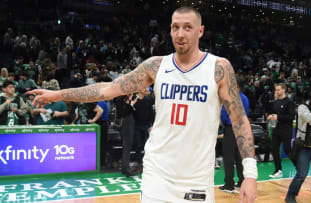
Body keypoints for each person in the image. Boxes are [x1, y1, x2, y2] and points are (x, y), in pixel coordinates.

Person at [28, 7, 257, 203]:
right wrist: (58, 93)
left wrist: (250, 174)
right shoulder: (156, 66)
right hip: (156, 175)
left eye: (188, 27)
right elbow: (107, 89)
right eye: (175, 27)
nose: (180, 33)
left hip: (196, 179)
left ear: (200, 31)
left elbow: (239, 120)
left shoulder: (219, 68)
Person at [219, 76, 249, 193]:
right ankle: (241, 181)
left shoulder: (231, 98)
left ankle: (229, 185)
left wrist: (222, 121)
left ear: (237, 86)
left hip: (230, 129)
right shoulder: (245, 98)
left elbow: (225, 115)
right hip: (241, 129)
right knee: (239, 157)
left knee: (228, 157)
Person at [268, 83, 296, 178]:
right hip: (276, 129)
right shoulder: (276, 102)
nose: (277, 91)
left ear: (284, 90)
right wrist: (271, 116)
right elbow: (274, 114)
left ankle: (299, 167)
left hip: (286, 129)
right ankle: (278, 170)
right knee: (274, 149)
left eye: (279, 89)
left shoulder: (289, 102)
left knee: (287, 150)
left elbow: (291, 117)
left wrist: (278, 117)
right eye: (276, 90)